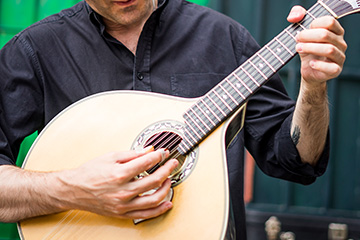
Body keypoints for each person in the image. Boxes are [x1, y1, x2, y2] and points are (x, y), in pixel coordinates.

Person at [0, 0, 347, 239]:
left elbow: (296, 161)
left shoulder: (225, 39)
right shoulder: (35, 51)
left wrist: (313, 87)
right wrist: (75, 190)